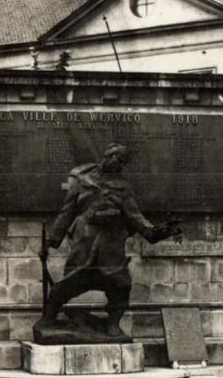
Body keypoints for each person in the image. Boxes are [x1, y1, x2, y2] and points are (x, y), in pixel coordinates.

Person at [40, 143, 180, 337]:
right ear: (108, 156)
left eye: (123, 162)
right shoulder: (82, 180)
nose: (119, 165)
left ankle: (113, 323)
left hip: (111, 244)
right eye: (117, 159)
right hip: (85, 241)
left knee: (121, 284)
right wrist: (50, 242)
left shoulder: (123, 188)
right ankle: (48, 318)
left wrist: (159, 232)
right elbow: (67, 213)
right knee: (71, 281)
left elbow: (136, 218)